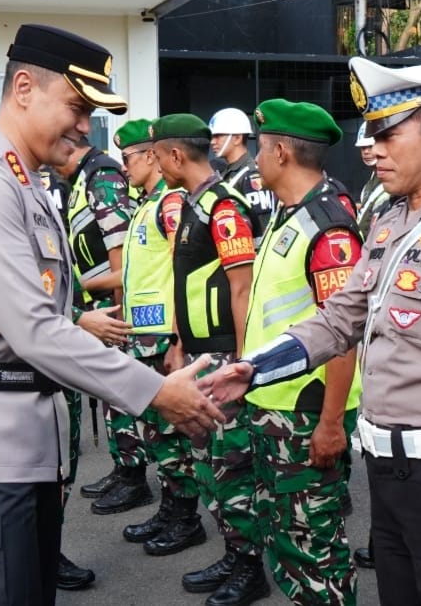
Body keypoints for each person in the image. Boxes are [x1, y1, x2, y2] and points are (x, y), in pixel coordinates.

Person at [0, 23, 223, 606]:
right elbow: (32, 327)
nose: (84, 126)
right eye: (76, 106)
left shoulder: (23, 182)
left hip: (19, 446)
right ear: (23, 88)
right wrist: (155, 392)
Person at [200, 55, 421, 606]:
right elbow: (339, 319)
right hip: (388, 470)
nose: (373, 149)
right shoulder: (391, 222)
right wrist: (252, 369)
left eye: (388, 132)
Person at [243, 99, 363, 606]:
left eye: (261, 148)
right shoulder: (289, 215)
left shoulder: (328, 224)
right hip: (276, 406)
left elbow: (344, 332)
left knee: (315, 547)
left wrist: (331, 422)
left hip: (308, 410)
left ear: (282, 152)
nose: (254, 159)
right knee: (286, 541)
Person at [150, 112, 268, 606]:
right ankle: (231, 550)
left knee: (231, 464)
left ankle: (249, 565)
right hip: (197, 350)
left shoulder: (222, 208)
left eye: (157, 155)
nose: (156, 165)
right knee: (208, 463)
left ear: (176, 155)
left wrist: (240, 359)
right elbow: (183, 280)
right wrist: (177, 341)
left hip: (223, 352)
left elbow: (240, 288)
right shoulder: (191, 205)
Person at [110, 119, 207, 558]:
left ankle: (185, 515)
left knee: (171, 432)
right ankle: (171, 506)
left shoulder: (170, 205)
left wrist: (177, 339)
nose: (123, 167)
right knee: (157, 433)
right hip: (143, 335)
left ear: (152, 156)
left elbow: (183, 270)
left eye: (128, 158)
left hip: (162, 336)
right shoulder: (146, 204)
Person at [61, 133, 149, 518]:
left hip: (110, 309)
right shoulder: (81, 179)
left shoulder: (102, 177)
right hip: (94, 306)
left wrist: (119, 319)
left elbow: (120, 259)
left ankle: (134, 475)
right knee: (109, 394)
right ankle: (122, 466)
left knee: (118, 390)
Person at [211, 107, 277, 240]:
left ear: (237, 138)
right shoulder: (226, 173)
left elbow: (261, 229)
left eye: (218, 136)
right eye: (212, 136)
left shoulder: (251, 174)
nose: (213, 141)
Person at [355, 122, 391, 237]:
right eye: (362, 148)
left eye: (370, 146)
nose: (366, 152)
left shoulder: (393, 181)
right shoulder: (372, 180)